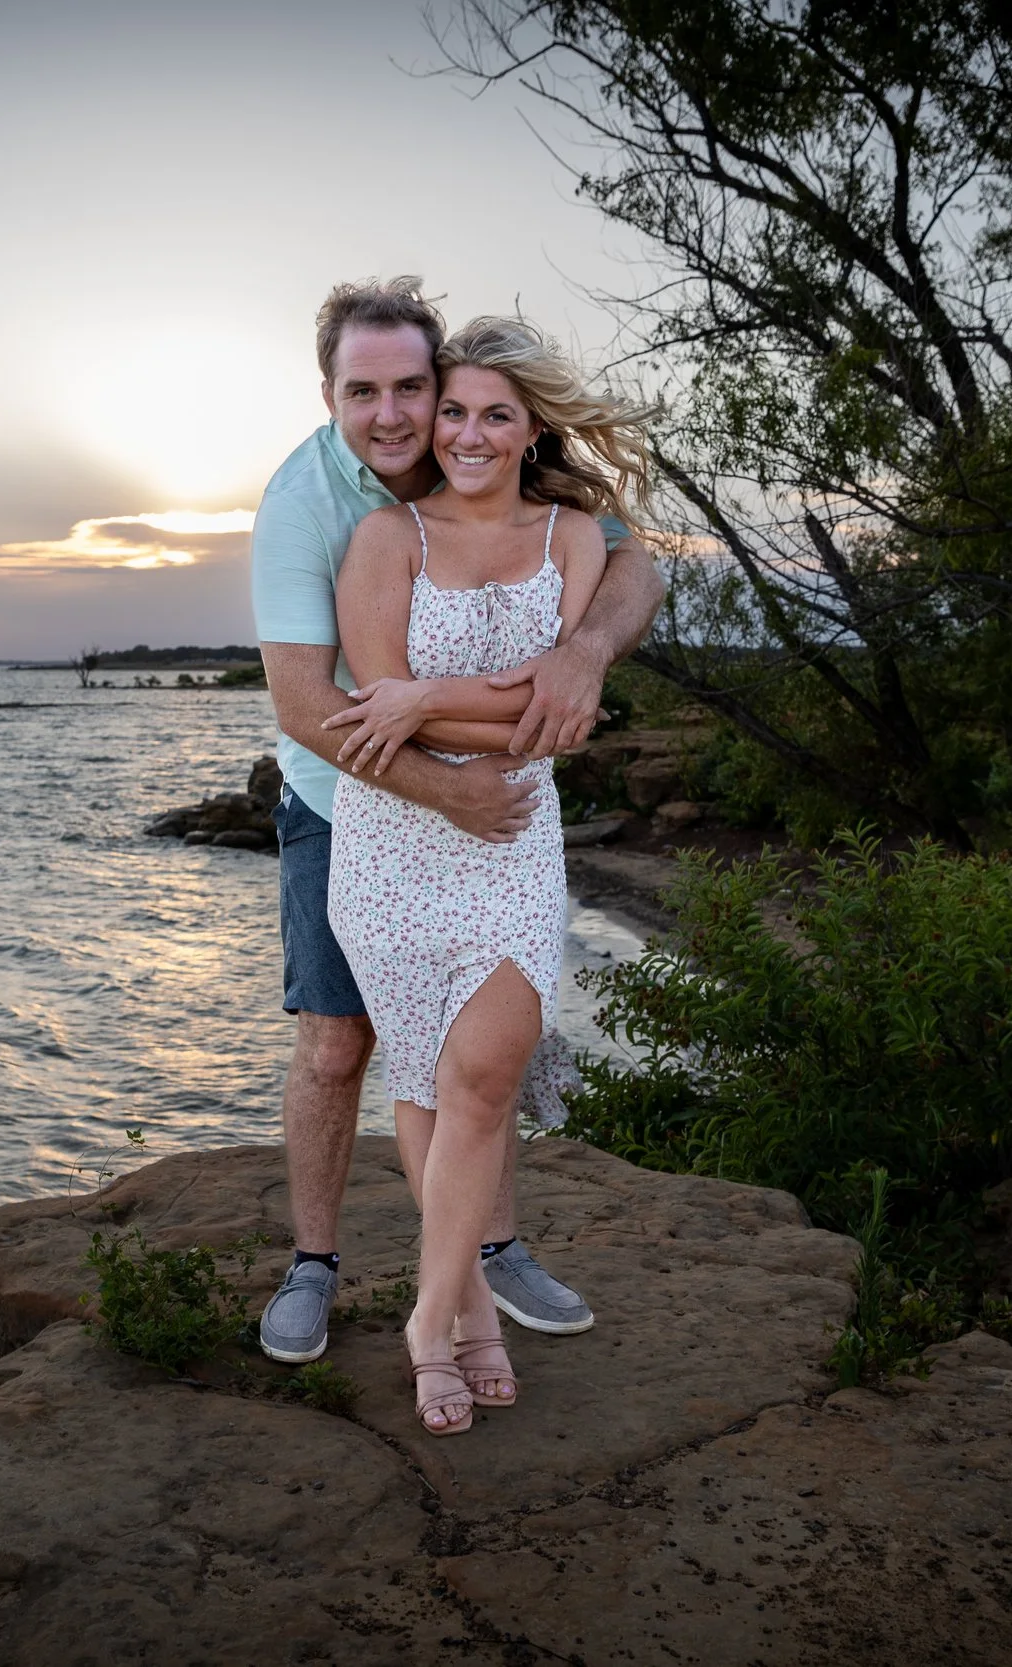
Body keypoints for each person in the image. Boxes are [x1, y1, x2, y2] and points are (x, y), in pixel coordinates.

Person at [248, 277, 664, 1375]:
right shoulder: (314, 507)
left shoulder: (503, 477)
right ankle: (314, 1262)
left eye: (411, 388)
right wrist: (450, 785)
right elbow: (310, 704)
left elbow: (634, 564)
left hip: (499, 803)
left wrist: (578, 659)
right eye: (363, 391)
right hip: (346, 794)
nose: (393, 414)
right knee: (343, 1043)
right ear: (330, 394)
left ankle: (487, 1252)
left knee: (485, 1058)